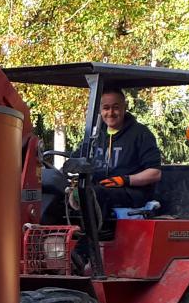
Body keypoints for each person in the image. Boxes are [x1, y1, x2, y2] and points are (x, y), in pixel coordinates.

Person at [43, 86, 164, 224]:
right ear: (100, 110)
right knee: (56, 193)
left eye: (116, 107)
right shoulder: (95, 136)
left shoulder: (140, 134)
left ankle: (88, 242)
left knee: (93, 194)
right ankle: (51, 239)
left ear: (125, 107)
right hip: (99, 189)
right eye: (106, 108)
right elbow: (77, 157)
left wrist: (124, 180)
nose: (111, 112)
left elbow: (155, 173)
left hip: (131, 193)